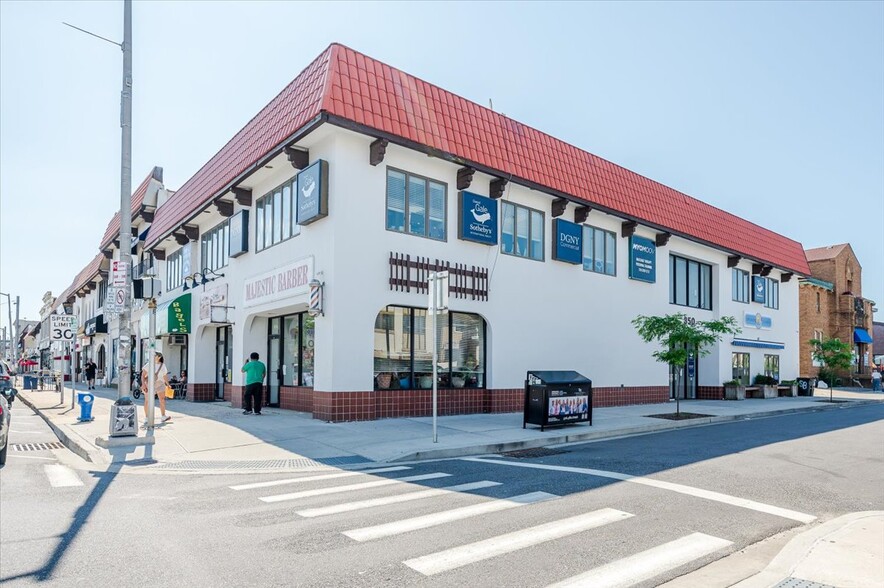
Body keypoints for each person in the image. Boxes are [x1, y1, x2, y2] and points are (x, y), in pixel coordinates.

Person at [141, 352, 171, 427]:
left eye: (155, 356)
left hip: (160, 383)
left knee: (162, 399)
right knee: (147, 401)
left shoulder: (162, 365)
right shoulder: (149, 364)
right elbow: (143, 375)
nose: (153, 357)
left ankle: (163, 416)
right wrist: (143, 384)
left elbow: (164, 376)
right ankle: (147, 417)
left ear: (159, 357)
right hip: (150, 384)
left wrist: (168, 384)